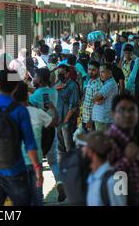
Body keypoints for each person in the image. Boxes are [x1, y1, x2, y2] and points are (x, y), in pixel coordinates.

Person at [0, 69, 42, 206]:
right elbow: (30, 144)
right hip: (16, 170)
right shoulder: (20, 111)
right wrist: (37, 168)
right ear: (15, 87)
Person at [14, 82, 55, 206]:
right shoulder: (37, 112)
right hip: (36, 161)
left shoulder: (10, 114)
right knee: (37, 197)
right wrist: (53, 109)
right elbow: (53, 124)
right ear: (27, 96)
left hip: (18, 163)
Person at [107, 94, 139, 206]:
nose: (128, 114)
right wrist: (127, 159)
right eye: (122, 110)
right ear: (113, 114)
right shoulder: (108, 142)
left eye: (132, 110)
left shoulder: (129, 140)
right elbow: (105, 178)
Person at [54, 63, 80, 201]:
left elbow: (74, 106)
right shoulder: (58, 83)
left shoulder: (73, 86)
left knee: (69, 150)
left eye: (62, 72)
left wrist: (65, 120)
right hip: (58, 122)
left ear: (68, 73)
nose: (60, 74)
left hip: (66, 123)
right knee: (60, 150)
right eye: (59, 72)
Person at [83, 131, 127, 206]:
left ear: (91, 152)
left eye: (85, 146)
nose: (82, 149)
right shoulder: (92, 177)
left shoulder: (115, 180)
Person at [92, 64, 118, 132]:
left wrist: (95, 99)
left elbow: (95, 98)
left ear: (110, 72)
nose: (100, 74)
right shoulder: (107, 83)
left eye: (103, 72)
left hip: (104, 120)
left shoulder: (110, 84)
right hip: (103, 119)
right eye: (100, 72)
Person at [82, 60, 102, 132]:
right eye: (89, 69)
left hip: (91, 120)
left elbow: (96, 105)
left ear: (98, 70)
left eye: (93, 70)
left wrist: (91, 120)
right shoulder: (90, 81)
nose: (90, 71)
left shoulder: (98, 85)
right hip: (85, 117)